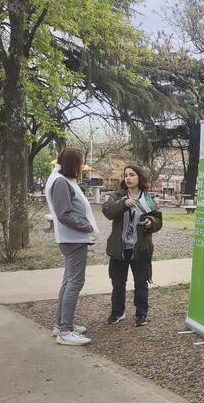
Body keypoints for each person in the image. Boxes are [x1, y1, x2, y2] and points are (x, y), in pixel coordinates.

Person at [44, 147, 99, 345]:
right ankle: (65, 331)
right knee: (74, 283)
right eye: (79, 163)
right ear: (72, 164)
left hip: (73, 239)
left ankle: (61, 325)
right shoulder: (60, 182)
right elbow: (64, 214)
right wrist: (88, 227)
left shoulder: (61, 179)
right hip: (73, 239)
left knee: (69, 282)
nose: (81, 168)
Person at [102, 165, 163, 327]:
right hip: (119, 249)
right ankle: (117, 313)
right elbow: (107, 211)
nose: (128, 178)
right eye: (126, 175)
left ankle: (141, 314)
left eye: (132, 175)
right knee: (118, 283)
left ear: (139, 178)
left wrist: (151, 222)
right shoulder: (118, 195)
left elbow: (158, 220)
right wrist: (123, 204)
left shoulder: (147, 198)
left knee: (141, 283)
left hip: (140, 249)